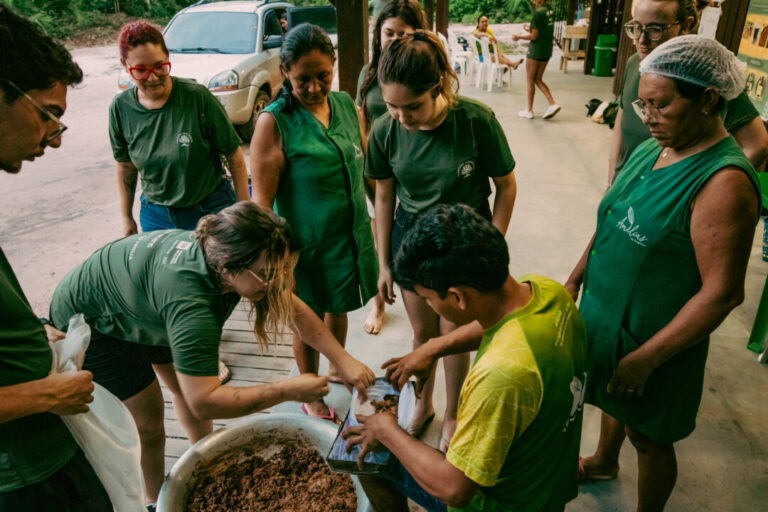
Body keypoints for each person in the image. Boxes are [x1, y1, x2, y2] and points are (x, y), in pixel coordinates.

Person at [49, 201, 375, 506]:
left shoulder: (225, 259)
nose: (278, 282)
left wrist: (343, 360)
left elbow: (296, 311)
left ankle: (203, 462)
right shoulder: (194, 309)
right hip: (94, 323)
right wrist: (287, 390)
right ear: (228, 266)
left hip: (144, 303)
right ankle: (153, 500)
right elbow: (204, 401)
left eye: (283, 269)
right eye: (267, 274)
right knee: (149, 422)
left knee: (182, 389)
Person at [565, 35, 761, 511]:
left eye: (661, 105)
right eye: (643, 103)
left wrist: (647, 358)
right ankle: (604, 461)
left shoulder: (723, 182)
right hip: (611, 321)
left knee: (649, 437)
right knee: (613, 402)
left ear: (708, 100)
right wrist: (575, 278)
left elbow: (722, 294)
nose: (647, 116)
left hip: (657, 339)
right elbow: (612, 219)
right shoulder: (654, 149)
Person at [342, 204, 587, 512]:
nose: (429, 307)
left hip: (505, 504)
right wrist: (433, 348)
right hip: (549, 479)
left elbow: (454, 489)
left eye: (428, 299)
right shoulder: (548, 293)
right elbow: (497, 323)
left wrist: (386, 429)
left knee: (367, 458)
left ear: (457, 296)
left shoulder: (500, 376)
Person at [366, 30, 517, 450]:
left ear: (438, 86)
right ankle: (423, 404)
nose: (401, 117)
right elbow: (384, 196)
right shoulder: (385, 130)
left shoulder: (476, 121)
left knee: (454, 333)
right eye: (392, 106)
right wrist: (384, 263)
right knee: (423, 333)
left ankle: (454, 413)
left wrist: (491, 245)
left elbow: (506, 186)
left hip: (463, 244)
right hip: (412, 241)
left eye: (412, 106)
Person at [0, 5, 112, 511]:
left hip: (48, 447)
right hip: (22, 476)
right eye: (48, 114)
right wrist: (46, 395)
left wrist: (32, 331)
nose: (56, 137)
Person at [250, 24, 378, 422]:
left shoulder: (346, 106)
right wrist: (272, 263)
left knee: (337, 307)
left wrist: (386, 216)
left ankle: (337, 367)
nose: (314, 87)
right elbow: (262, 204)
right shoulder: (274, 122)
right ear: (285, 71)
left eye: (323, 75)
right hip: (303, 244)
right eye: (303, 79)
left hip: (348, 236)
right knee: (306, 318)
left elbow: (366, 170)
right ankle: (311, 390)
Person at [110, 20, 251, 383]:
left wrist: (242, 207)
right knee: (168, 287)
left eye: (160, 66)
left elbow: (234, 155)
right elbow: (125, 167)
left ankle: (207, 348)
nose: (153, 76)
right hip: (157, 212)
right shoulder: (121, 108)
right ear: (126, 67)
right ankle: (184, 344)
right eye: (141, 69)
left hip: (208, 206)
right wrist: (126, 216)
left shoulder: (196, 98)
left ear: (168, 59)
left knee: (215, 283)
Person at [607, 0, 768, 186]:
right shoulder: (634, 62)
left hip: (667, 194)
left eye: (655, 29)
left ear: (685, 25)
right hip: (627, 186)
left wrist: (707, 191)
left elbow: (757, 145)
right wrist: (612, 180)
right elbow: (622, 120)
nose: (642, 40)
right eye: (636, 27)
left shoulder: (704, 76)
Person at [357, 0, 429, 335]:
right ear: (378, 33)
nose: (395, 39)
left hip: (413, 167)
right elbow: (362, 117)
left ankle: (425, 297)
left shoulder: (423, 70)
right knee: (379, 239)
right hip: (379, 167)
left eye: (404, 33)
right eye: (389, 33)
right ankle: (379, 303)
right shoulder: (369, 73)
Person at [513, 0, 560, 119]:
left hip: (536, 51)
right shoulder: (549, 10)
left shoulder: (538, 12)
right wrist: (529, 28)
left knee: (530, 79)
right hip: (546, 50)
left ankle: (529, 110)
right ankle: (552, 104)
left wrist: (519, 37)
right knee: (538, 79)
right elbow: (541, 29)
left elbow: (534, 36)